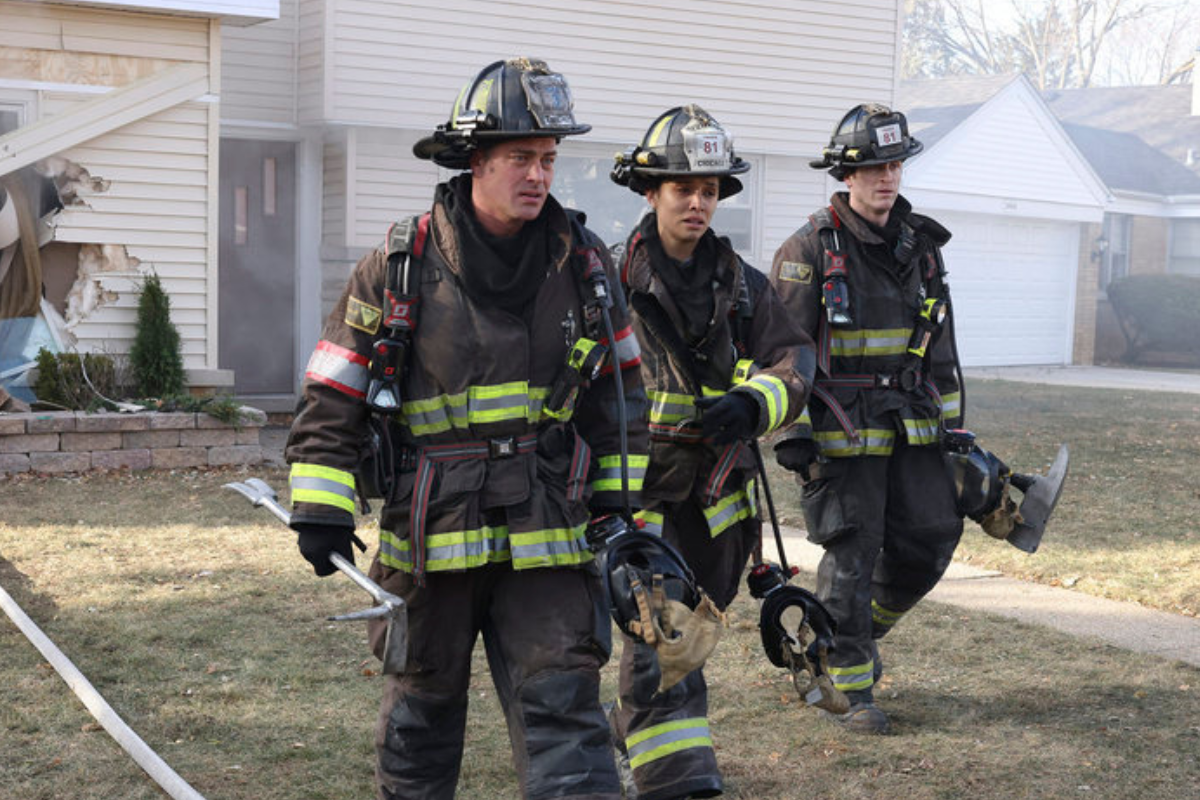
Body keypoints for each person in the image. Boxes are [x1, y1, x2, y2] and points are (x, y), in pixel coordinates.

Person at [284, 57, 650, 800]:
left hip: (548, 534)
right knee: (420, 712)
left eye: (548, 159)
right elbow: (333, 391)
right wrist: (320, 506)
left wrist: (614, 509)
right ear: (474, 160)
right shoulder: (398, 264)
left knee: (566, 711)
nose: (539, 175)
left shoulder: (585, 265)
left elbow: (621, 398)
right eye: (521, 156)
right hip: (430, 538)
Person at [607, 104, 815, 799]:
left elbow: (795, 360)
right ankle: (678, 780)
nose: (698, 202)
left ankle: (619, 730)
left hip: (720, 507)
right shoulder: (607, 284)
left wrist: (756, 403)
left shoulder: (744, 287)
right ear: (650, 192)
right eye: (682, 188)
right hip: (640, 502)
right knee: (663, 646)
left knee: (688, 639)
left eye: (710, 189)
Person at [768, 103, 963, 735]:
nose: (887, 177)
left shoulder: (924, 248)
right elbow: (782, 346)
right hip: (839, 432)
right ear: (846, 175)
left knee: (932, 536)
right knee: (853, 554)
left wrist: (955, 431)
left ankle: (832, 633)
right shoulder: (808, 249)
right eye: (873, 166)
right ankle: (854, 694)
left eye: (895, 164)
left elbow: (943, 350)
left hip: (912, 426)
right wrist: (792, 432)